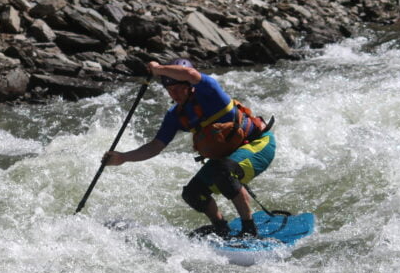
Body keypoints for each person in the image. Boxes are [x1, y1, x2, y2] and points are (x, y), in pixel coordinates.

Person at [103, 58, 276, 238]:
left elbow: (190, 74)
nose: (174, 94)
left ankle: (249, 229)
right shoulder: (175, 116)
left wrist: (158, 69)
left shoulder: (210, 93)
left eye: (178, 88)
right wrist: (123, 157)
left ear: (190, 86)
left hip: (259, 144)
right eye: (169, 90)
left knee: (223, 171)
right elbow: (155, 146)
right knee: (193, 193)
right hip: (230, 155)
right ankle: (221, 226)